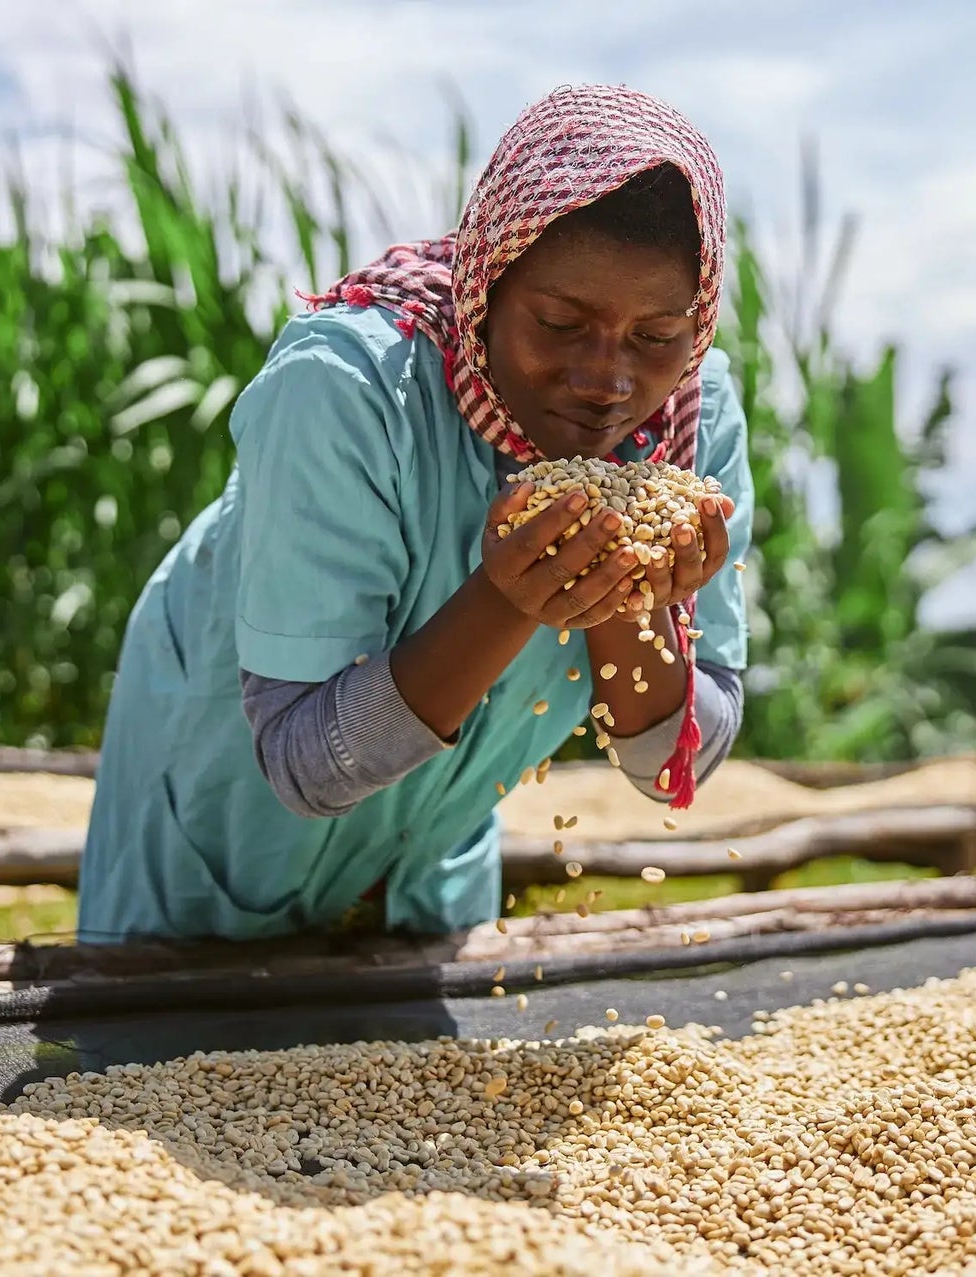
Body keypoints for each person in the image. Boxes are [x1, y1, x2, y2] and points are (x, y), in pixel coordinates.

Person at [76, 85, 751, 944]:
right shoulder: (345, 389)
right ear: (485, 287)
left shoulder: (691, 424)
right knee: (165, 1064)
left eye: (655, 338)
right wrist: (506, 600)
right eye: (559, 323)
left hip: (431, 868)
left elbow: (673, 770)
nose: (606, 380)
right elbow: (306, 765)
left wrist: (632, 600)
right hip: (217, 851)